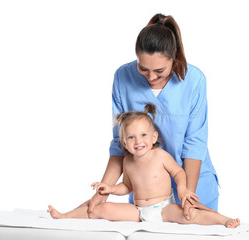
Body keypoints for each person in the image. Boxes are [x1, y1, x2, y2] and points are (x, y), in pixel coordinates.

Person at [83, 13, 219, 221]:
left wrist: (187, 197)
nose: (151, 77)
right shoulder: (123, 77)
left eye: (160, 71)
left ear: (174, 59)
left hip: (192, 186)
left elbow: (194, 143)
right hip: (146, 194)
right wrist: (103, 192)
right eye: (143, 68)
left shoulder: (194, 81)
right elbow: (119, 143)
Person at [48, 105, 239, 228]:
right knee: (100, 208)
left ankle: (224, 220)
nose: (138, 141)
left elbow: (179, 172)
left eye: (143, 136)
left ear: (154, 137)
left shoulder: (160, 156)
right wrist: (111, 188)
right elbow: (127, 186)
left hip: (165, 206)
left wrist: (182, 190)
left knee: (190, 215)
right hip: (138, 210)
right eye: (131, 137)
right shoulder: (128, 161)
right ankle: (65, 216)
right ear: (124, 142)